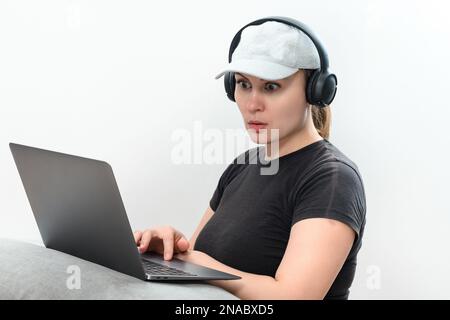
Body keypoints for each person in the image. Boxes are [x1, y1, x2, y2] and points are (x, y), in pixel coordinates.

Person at [134, 17, 366, 300]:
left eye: (271, 87)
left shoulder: (332, 179)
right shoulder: (243, 165)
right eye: (243, 84)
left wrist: (199, 264)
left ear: (314, 91)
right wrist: (172, 250)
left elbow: (295, 296)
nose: (253, 104)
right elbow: (195, 263)